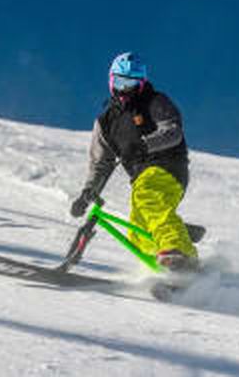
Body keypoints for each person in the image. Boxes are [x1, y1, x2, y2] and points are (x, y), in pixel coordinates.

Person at [70, 52, 198, 271]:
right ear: (112, 81)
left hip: (167, 167)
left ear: (141, 83)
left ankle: (176, 250)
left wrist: (144, 145)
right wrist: (87, 193)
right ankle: (174, 269)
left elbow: (172, 132)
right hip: (141, 177)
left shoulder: (155, 102)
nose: (124, 90)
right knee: (137, 232)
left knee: (148, 197)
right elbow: (101, 163)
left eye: (131, 84)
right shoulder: (107, 122)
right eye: (120, 82)